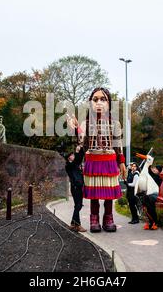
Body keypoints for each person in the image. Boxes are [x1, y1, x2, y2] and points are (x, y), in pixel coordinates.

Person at [67, 87, 126, 233]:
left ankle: (108, 218)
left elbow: (118, 145)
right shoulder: (85, 124)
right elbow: (82, 144)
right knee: (94, 194)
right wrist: (76, 129)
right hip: (92, 161)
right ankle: (94, 219)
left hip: (109, 161)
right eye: (95, 99)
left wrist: (122, 163)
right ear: (90, 103)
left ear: (109, 103)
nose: (99, 102)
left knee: (108, 195)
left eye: (103, 99)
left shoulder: (115, 124)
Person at [65, 145, 87, 232]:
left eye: (73, 154)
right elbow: (78, 160)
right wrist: (78, 151)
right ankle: (77, 225)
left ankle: (73, 223)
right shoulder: (69, 165)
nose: (73, 156)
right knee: (78, 205)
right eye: (72, 155)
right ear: (69, 158)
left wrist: (80, 148)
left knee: (78, 205)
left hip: (78, 187)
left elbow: (80, 158)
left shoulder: (74, 164)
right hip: (75, 187)